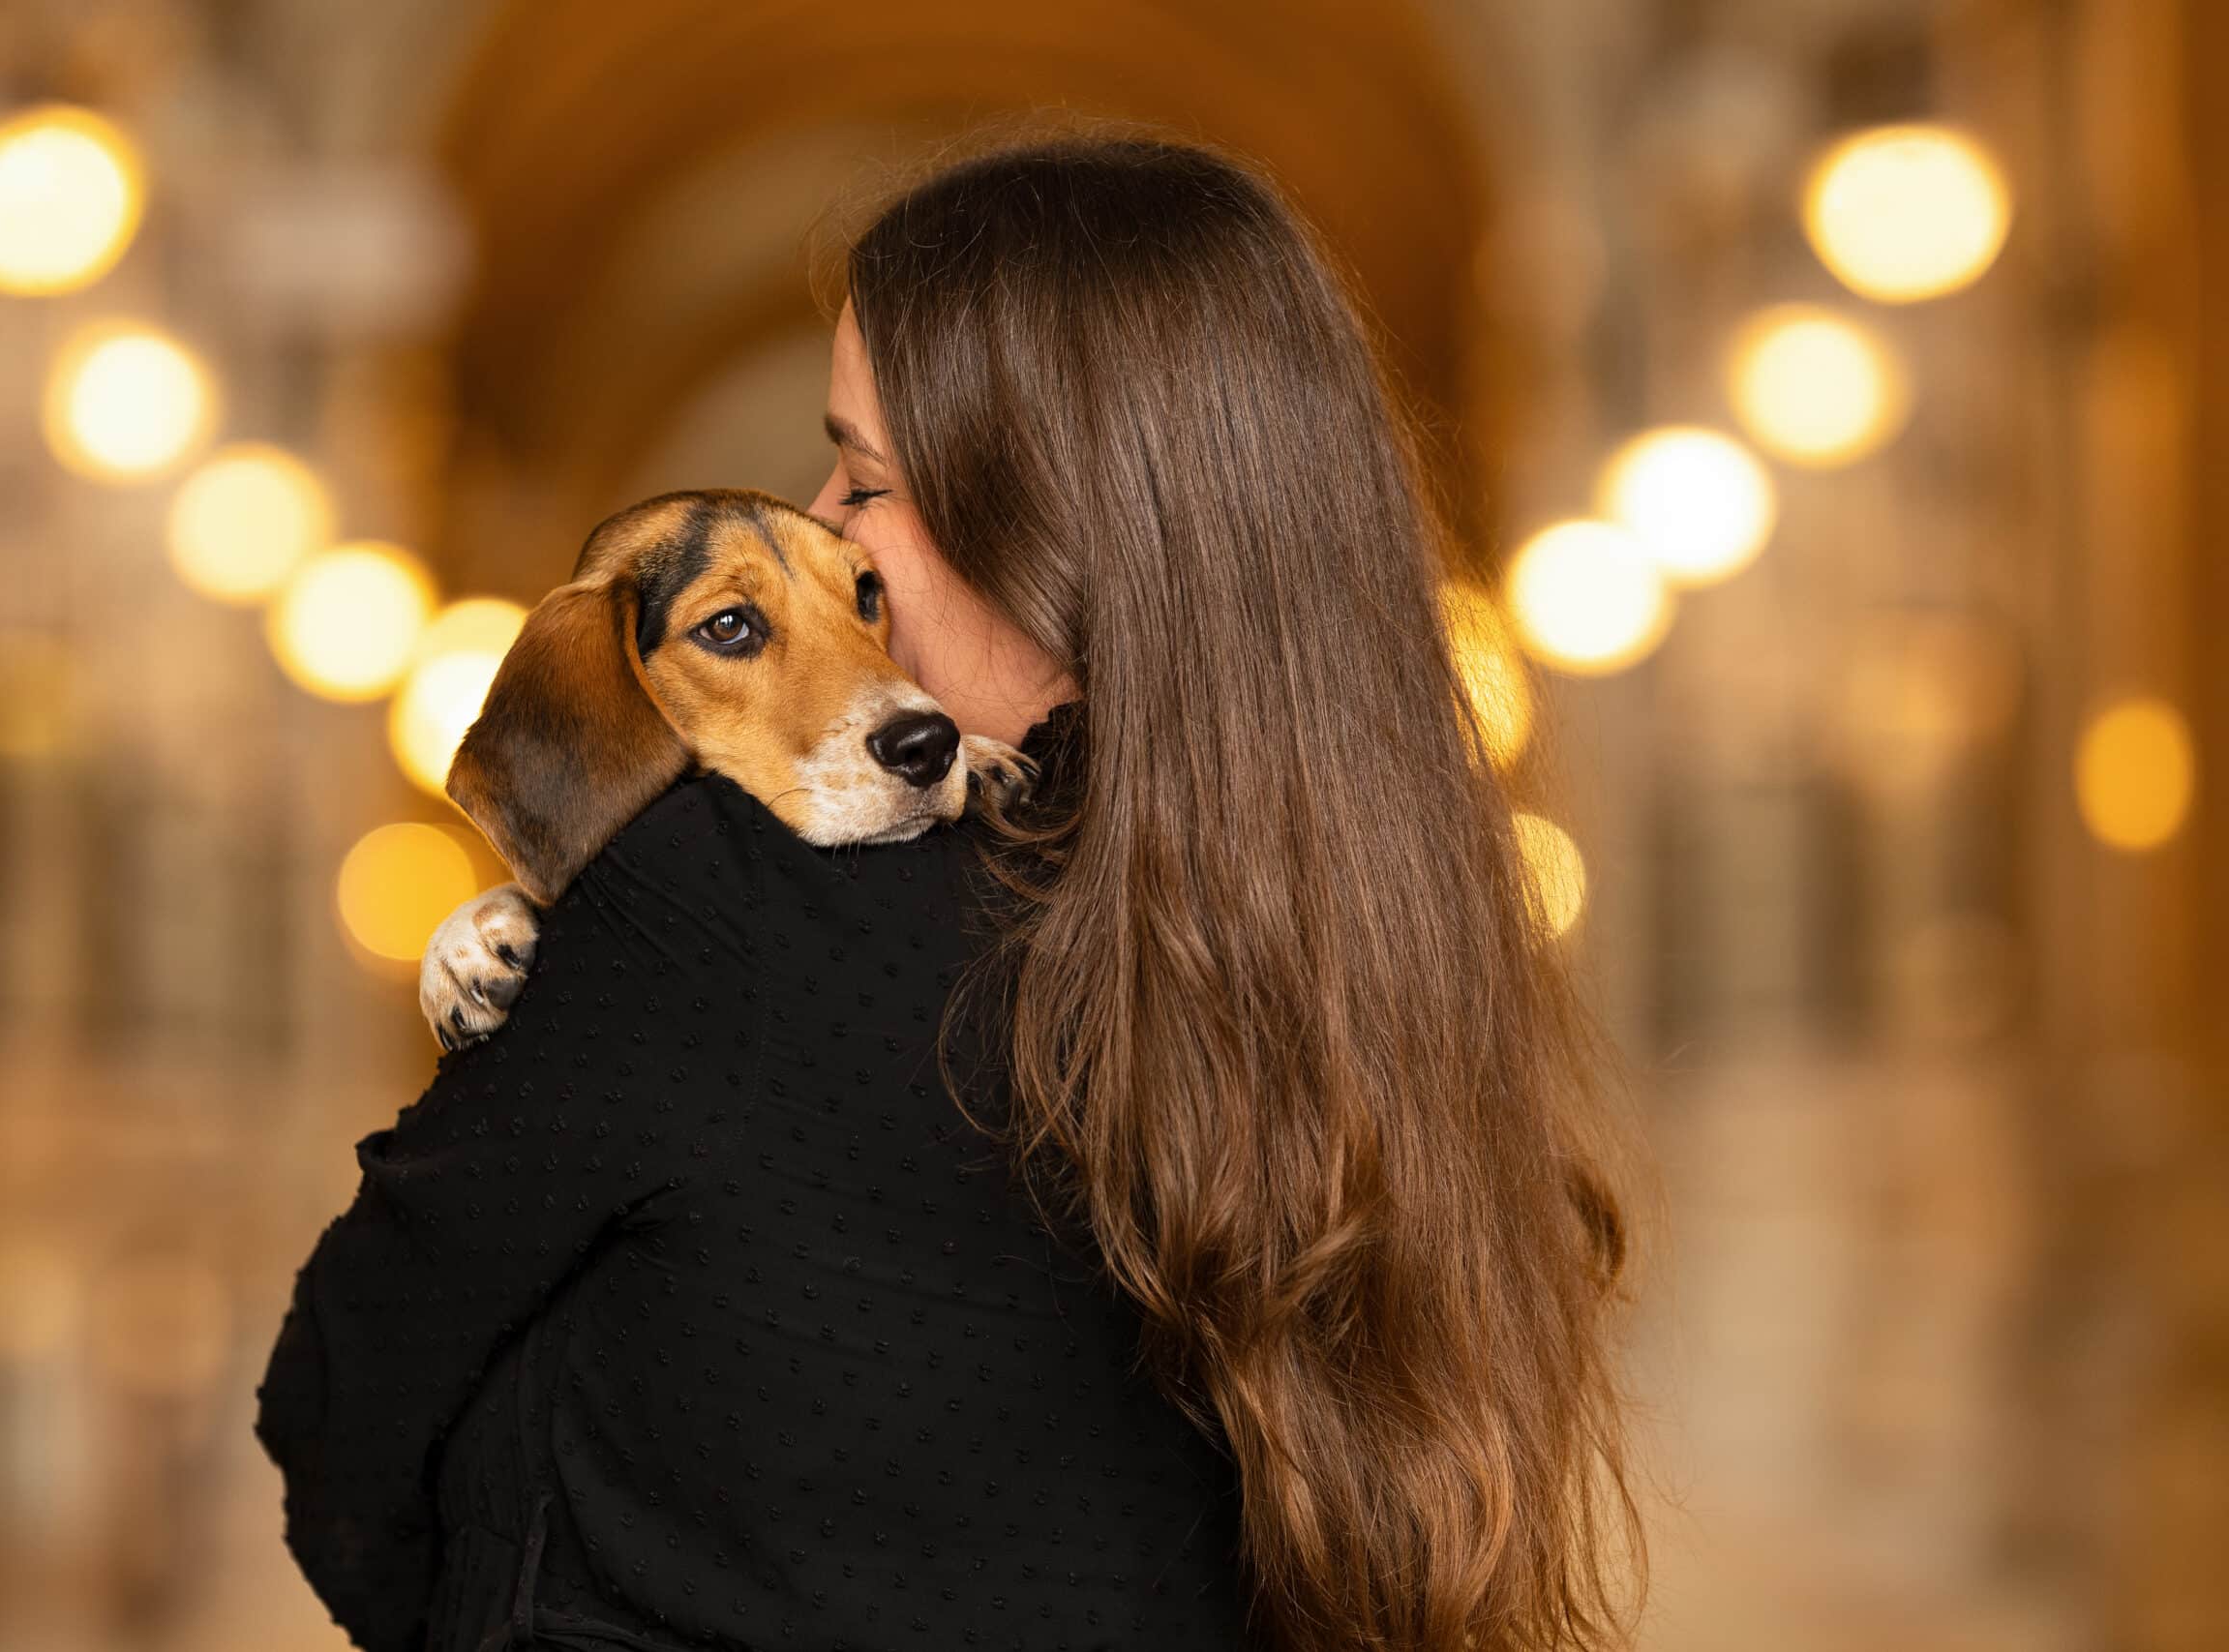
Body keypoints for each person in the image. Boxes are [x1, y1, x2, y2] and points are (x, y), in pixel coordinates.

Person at [256, 129, 1645, 1652]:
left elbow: (341, 1399)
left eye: (864, 479)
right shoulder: (1390, 950)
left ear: (1061, 534)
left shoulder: (726, 904)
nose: (825, 525)